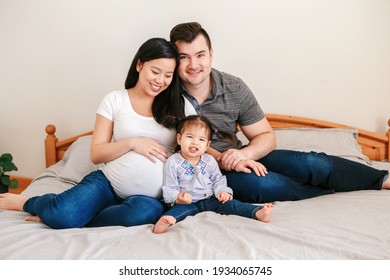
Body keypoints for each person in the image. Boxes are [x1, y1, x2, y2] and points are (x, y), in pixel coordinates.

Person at [169, 22, 390, 203]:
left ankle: (381, 178)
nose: (193, 64)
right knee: (264, 185)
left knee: (311, 164)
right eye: (184, 57)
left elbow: (266, 136)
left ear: (211, 54)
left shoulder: (233, 87)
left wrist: (244, 155)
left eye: (199, 55)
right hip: (208, 174)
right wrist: (226, 161)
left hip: (241, 155)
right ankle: (331, 189)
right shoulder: (165, 95)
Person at [0, 37, 191, 229]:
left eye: (168, 75)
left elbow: (199, 141)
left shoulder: (180, 105)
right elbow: (96, 154)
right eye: (155, 72)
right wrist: (133, 142)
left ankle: (74, 216)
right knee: (63, 214)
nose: (160, 80)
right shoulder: (115, 100)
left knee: (146, 213)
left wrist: (221, 155)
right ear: (139, 65)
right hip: (107, 183)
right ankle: (28, 203)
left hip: (149, 196)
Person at [153, 115, 273, 234]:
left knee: (232, 205)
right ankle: (165, 222)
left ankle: (257, 212)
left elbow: (218, 180)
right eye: (190, 137)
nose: (195, 142)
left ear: (207, 145)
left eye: (201, 140)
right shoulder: (173, 162)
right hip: (188, 202)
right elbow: (170, 187)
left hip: (210, 199)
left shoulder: (209, 160)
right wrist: (178, 199)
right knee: (178, 211)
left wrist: (222, 192)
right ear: (179, 139)